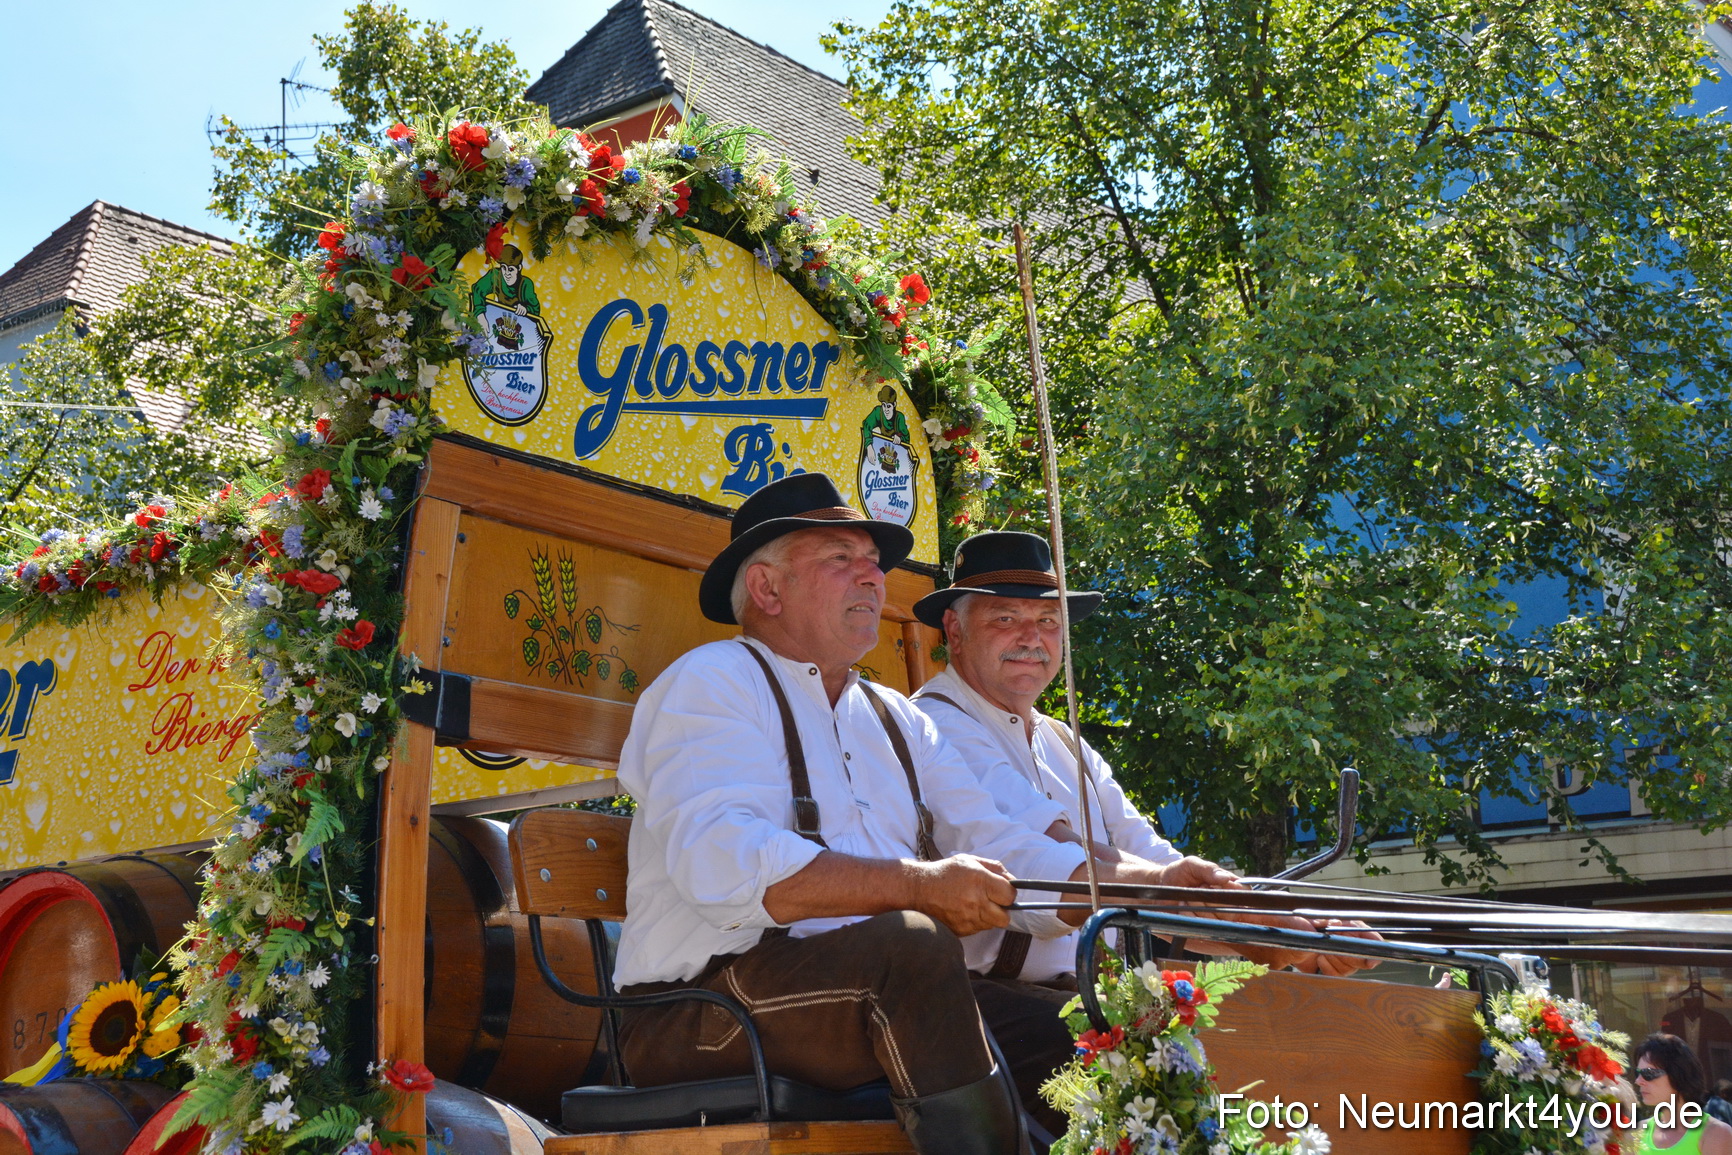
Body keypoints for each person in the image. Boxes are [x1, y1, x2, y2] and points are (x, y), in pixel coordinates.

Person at [612, 475, 1267, 1155]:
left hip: (858, 989)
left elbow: (1000, 840)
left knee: (1082, 1028)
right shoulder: (711, 681)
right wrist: (920, 885)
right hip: (696, 1010)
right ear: (768, 590)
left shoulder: (893, 717)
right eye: (842, 559)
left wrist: (1154, 889)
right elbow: (729, 866)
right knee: (915, 943)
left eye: (875, 561)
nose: (873, 577)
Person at [910, 532, 1381, 985]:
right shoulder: (934, 723)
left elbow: (1156, 867)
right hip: (994, 1007)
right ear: (955, 629)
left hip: (1094, 999)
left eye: (1049, 621)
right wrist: (1260, 924)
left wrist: (1298, 929)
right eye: (1006, 618)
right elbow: (1058, 849)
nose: (1033, 638)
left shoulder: (1064, 742)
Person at [1633, 1033, 1732, 1155]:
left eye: (1648, 1073)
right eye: (1637, 1073)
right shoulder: (1638, 1132)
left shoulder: (1715, 1133)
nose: (1638, 1081)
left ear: (1679, 1074)